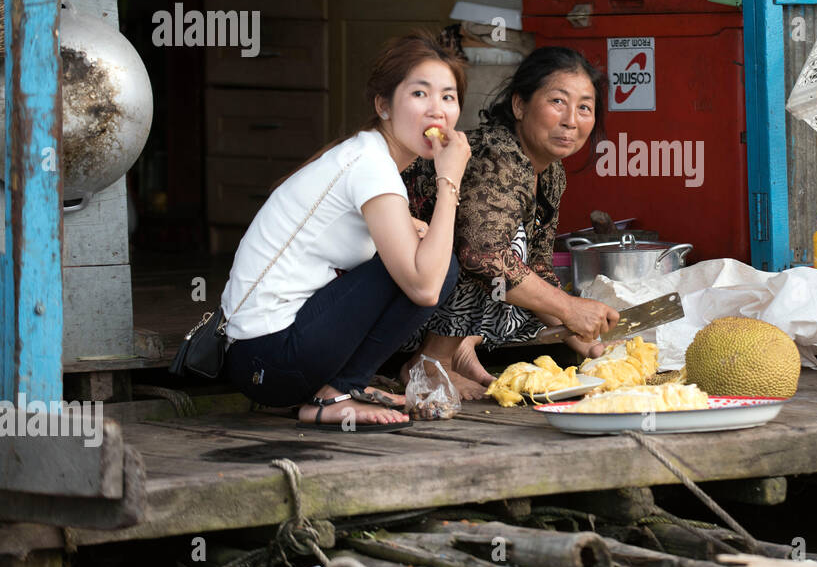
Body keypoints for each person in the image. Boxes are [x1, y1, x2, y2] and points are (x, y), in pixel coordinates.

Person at [219, 30, 471, 430]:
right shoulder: (370, 165)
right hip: (268, 359)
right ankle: (336, 393)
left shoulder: (364, 155)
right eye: (419, 94)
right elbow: (424, 286)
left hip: (265, 358)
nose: (436, 110)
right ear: (383, 105)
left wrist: (414, 225)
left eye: (448, 96)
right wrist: (448, 182)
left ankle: (336, 390)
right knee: (436, 269)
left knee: (430, 255)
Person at [400, 46, 621, 399]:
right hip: (391, 293)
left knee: (527, 285)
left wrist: (574, 332)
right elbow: (481, 256)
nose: (571, 121)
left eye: (584, 108)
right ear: (519, 106)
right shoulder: (496, 155)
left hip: (426, 293)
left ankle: (455, 355)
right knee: (497, 256)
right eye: (558, 102)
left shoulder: (549, 173)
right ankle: (428, 362)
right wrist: (569, 309)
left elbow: (538, 265)